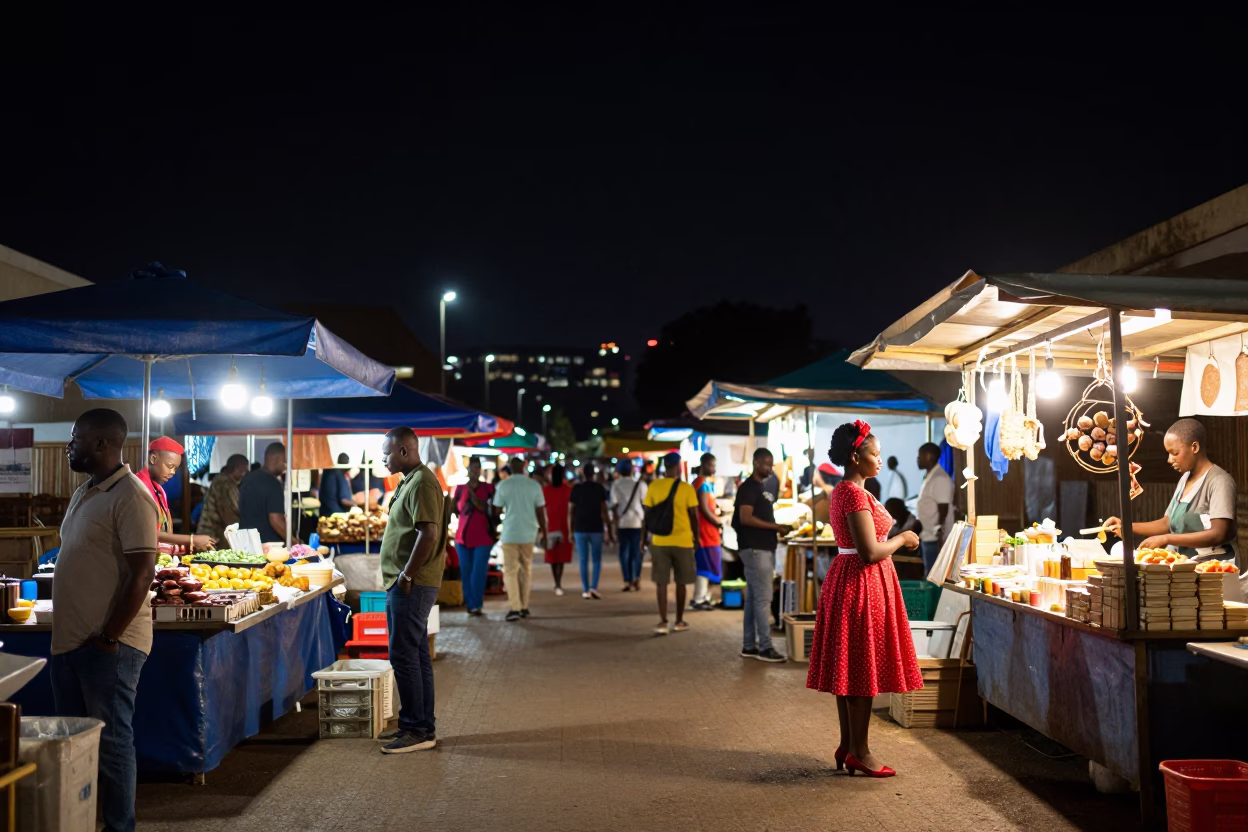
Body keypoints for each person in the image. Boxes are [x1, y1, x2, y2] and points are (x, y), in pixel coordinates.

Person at [51, 408, 159, 832]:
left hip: (108, 646)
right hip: (71, 642)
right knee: (75, 744)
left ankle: (119, 827)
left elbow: (142, 573)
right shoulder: (86, 491)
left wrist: (109, 636)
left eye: (75, 439)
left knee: (112, 744)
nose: (68, 447)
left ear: (100, 444)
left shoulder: (131, 495)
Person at [806, 420, 922, 778]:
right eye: (875, 453)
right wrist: (903, 538)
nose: (880, 459)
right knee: (861, 672)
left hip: (851, 580)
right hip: (862, 582)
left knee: (851, 671)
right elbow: (870, 551)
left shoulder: (844, 490)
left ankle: (848, 745)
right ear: (856, 456)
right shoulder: (854, 494)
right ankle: (861, 751)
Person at [375, 426, 445, 753]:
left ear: (404, 451)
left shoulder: (422, 483)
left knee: (403, 655)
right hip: (406, 582)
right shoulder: (409, 480)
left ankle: (417, 730)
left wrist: (406, 574)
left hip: (412, 584)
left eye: (387, 452)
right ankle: (417, 725)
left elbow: (428, 533)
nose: (383, 459)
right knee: (415, 655)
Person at [1107, 418, 1239, 565]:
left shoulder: (1220, 481)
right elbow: (1168, 522)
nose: (1170, 460)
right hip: (1185, 568)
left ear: (1194, 447)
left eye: (1174, 452)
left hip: (1214, 570)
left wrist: (1167, 538)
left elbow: (1218, 534)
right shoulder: (1185, 479)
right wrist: (1126, 526)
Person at [732, 448, 790, 662]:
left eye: (771, 464)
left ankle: (749, 645)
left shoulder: (760, 487)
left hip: (761, 548)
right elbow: (746, 518)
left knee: (754, 599)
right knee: (764, 599)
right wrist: (774, 526)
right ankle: (765, 647)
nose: (769, 468)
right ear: (756, 463)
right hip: (756, 548)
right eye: (766, 463)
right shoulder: (749, 488)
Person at [642, 452, 699, 635]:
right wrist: (696, 538)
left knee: (661, 583)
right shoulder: (686, 488)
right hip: (683, 542)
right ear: (678, 466)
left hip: (659, 541)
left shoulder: (654, 486)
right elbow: (694, 516)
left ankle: (663, 621)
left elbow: (647, 516)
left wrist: (643, 540)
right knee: (681, 583)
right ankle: (679, 620)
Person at [134, 437, 216, 553]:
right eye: (170, 466)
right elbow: (147, 532)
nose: (172, 472)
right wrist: (191, 540)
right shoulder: (138, 487)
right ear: (153, 458)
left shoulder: (159, 490)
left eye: (176, 469)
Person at [491, 456, 547, 622]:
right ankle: (524, 606)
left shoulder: (503, 485)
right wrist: (544, 531)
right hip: (529, 533)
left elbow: (496, 509)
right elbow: (540, 511)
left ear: (510, 467)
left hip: (509, 533)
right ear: (524, 466)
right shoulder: (534, 485)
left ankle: (514, 607)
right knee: (525, 569)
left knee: (510, 571)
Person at [452, 457, 495, 616]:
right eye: (473, 467)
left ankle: (477, 603)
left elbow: (485, 507)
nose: (475, 470)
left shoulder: (488, 488)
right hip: (463, 536)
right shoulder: (460, 488)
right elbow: (455, 509)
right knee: (466, 571)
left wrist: (472, 494)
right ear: (468, 469)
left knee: (478, 572)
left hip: (483, 537)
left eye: (478, 468)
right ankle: (470, 605)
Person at [570, 463, 613, 599]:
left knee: (583, 559)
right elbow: (604, 510)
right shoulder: (599, 488)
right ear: (593, 474)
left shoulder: (577, 489)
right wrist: (609, 529)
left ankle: (585, 589)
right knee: (596, 560)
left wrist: (570, 530)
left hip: (580, 528)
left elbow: (570, 511)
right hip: (596, 527)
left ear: (582, 473)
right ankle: (594, 587)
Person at [239, 442, 291, 544]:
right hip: (268, 545)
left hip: (246, 542)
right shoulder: (273, 483)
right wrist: (293, 541)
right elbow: (275, 520)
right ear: (276, 460)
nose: (285, 467)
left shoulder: (248, 478)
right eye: (284, 462)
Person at [609, 459, 647, 592]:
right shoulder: (640, 484)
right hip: (637, 521)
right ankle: (637, 578)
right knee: (637, 552)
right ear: (632, 470)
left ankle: (627, 580)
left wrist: (613, 524)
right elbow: (645, 503)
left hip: (622, 522)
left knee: (624, 552)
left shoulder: (616, 484)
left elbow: (613, 505)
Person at [691, 453, 723, 610]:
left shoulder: (702, 483)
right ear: (704, 465)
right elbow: (704, 509)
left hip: (708, 532)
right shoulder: (701, 484)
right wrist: (718, 522)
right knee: (705, 566)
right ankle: (699, 599)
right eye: (712, 465)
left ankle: (704, 597)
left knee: (708, 565)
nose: (714, 469)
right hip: (705, 532)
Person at [916, 442, 954, 572]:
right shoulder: (930, 476)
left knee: (935, 578)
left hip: (936, 538)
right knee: (930, 574)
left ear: (929, 456)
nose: (918, 459)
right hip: (928, 535)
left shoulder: (940, 478)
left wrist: (939, 532)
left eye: (920, 456)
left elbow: (943, 508)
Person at [197, 454, 249, 542]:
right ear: (236, 468)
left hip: (213, 536)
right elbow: (228, 514)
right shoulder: (224, 483)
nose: (246, 473)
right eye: (245, 470)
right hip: (212, 537)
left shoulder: (225, 481)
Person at [542, 464, 573, 595]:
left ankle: (557, 583)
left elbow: (542, 510)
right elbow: (571, 512)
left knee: (553, 556)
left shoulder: (545, 490)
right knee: (560, 557)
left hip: (550, 526)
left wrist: (542, 528)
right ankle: (558, 583)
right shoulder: (568, 490)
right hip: (564, 526)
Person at [319, 453, 355, 517]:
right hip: (336, 514)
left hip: (324, 513)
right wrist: (356, 505)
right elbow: (344, 501)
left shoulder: (327, 471)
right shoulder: (339, 474)